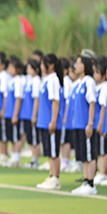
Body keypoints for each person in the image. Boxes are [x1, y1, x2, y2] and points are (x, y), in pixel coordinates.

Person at [36, 54, 64, 190]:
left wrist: (53, 121)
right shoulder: (46, 80)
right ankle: (51, 175)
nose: (41, 67)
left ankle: (56, 178)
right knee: (48, 151)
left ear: (51, 65)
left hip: (50, 122)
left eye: (43, 64)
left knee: (53, 151)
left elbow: (55, 102)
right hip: (43, 121)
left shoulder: (53, 80)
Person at [70, 56, 97, 195]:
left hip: (86, 124)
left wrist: (90, 123)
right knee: (82, 155)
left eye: (79, 63)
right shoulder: (77, 83)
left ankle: (91, 184)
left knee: (89, 153)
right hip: (78, 124)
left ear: (84, 66)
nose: (76, 65)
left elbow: (92, 102)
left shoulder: (89, 82)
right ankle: (85, 181)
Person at [20, 59, 41, 169]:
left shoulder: (37, 80)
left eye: (30, 67)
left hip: (31, 114)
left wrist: (34, 115)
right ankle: (33, 159)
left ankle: (35, 159)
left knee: (34, 137)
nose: (27, 69)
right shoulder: (29, 80)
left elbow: (36, 99)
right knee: (30, 137)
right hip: (26, 113)